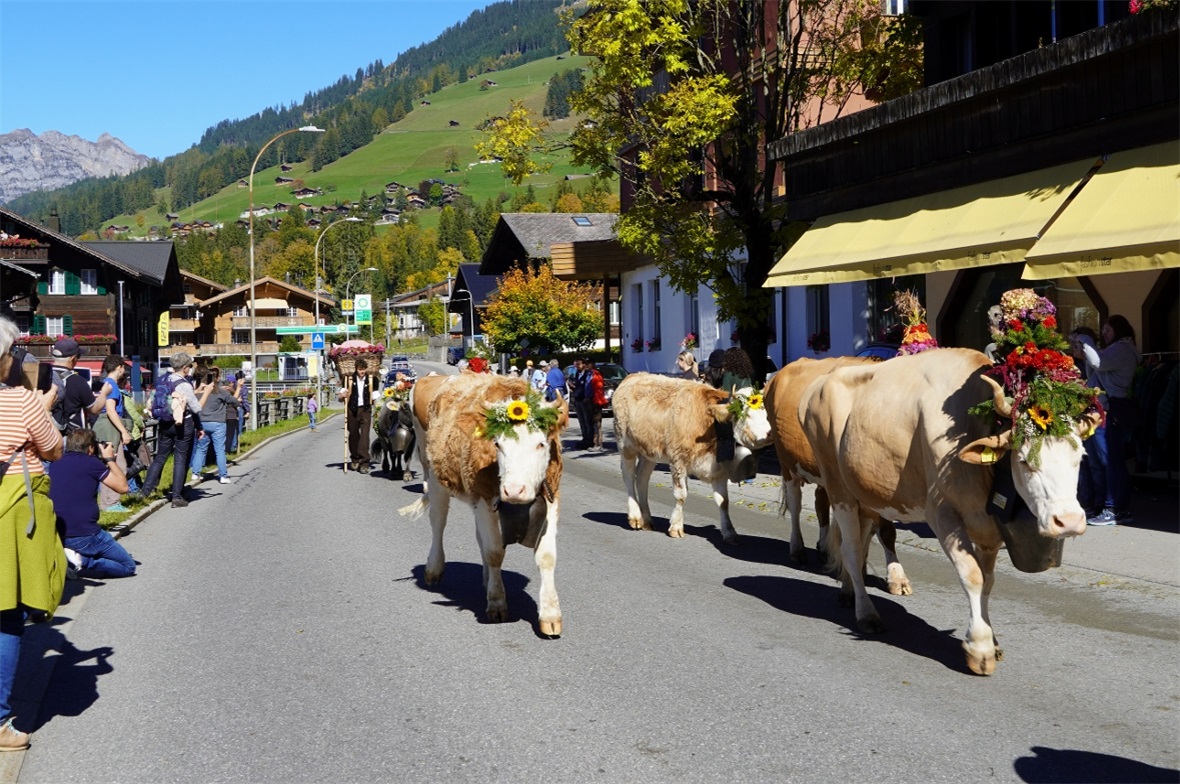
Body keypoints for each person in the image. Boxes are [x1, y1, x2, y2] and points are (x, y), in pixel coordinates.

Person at [0, 315, 64, 751]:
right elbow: (55, 448)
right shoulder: (20, 402)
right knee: (5, 616)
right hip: (10, 512)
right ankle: (1, 722)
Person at [48, 429, 136, 580]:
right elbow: (123, 487)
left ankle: (69, 556)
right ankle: (81, 560)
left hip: (57, 531)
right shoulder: (91, 463)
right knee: (128, 566)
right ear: (90, 448)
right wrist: (110, 460)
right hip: (86, 534)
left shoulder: (55, 463)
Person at [1078, 315, 1140, 526]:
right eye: (1103, 330)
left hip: (1111, 409)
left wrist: (1086, 340)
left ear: (1119, 330)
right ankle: (1101, 505)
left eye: (1108, 330)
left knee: (1110, 461)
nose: (1104, 334)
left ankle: (1115, 508)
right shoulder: (1115, 349)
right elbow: (1093, 371)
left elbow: (1099, 363)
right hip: (1101, 409)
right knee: (1098, 462)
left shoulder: (1122, 348)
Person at [138, 352, 211, 507]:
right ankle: (177, 496)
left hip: (165, 423)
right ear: (184, 368)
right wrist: (206, 393)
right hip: (183, 424)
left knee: (160, 458)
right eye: (190, 366)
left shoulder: (163, 380)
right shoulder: (184, 384)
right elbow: (196, 408)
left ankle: (144, 492)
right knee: (180, 459)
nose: (190, 369)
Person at [91, 355, 133, 513]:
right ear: (119, 367)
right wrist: (123, 431)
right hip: (110, 427)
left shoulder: (105, 384)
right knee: (116, 465)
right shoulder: (112, 386)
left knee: (109, 463)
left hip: (103, 425)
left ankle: (107, 502)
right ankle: (111, 503)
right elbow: (110, 410)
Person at [50, 337, 112, 435]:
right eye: (78, 356)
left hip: (45, 434)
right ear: (72, 359)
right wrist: (104, 393)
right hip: (71, 436)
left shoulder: (43, 377)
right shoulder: (77, 381)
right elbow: (95, 409)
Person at [190, 367, 236, 485]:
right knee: (219, 450)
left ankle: (195, 473)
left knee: (201, 449)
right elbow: (234, 401)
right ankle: (223, 476)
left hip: (202, 423)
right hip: (218, 423)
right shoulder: (220, 392)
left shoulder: (198, 392)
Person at [341, 358, 376, 473]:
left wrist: (377, 408)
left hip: (366, 409)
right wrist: (342, 395)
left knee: (365, 435)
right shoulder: (348, 379)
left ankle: (365, 462)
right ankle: (355, 458)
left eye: (364, 369)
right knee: (354, 435)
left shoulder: (372, 379)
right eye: (360, 369)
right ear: (356, 369)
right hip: (352, 409)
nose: (362, 372)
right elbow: (341, 397)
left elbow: (375, 396)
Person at [583, 358, 608, 451]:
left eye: (588, 364)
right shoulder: (589, 374)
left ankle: (598, 444)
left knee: (597, 423)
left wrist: (592, 399)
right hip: (590, 401)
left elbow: (598, 390)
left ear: (592, 364)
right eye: (585, 363)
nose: (586, 365)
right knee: (593, 423)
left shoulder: (596, 375)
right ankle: (595, 443)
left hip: (595, 402)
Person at [569, 358, 592, 449]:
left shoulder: (587, 375)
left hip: (584, 401)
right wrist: (572, 387)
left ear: (583, 365)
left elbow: (587, 387)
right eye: (576, 365)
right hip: (578, 400)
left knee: (587, 421)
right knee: (581, 421)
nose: (577, 366)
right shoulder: (577, 374)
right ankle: (584, 438)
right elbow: (578, 387)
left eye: (579, 364)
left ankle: (589, 440)